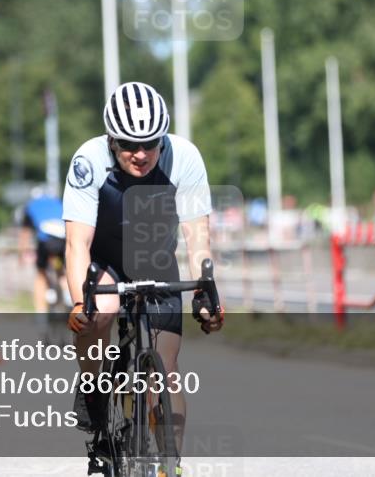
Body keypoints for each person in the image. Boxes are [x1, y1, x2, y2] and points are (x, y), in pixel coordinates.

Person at [63, 81, 224, 443]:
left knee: (165, 372)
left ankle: (171, 466)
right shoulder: (88, 160)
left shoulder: (184, 157)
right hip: (103, 257)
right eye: (129, 145)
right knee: (100, 311)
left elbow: (197, 235)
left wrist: (205, 294)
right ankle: (92, 388)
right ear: (111, 141)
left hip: (154, 259)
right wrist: (79, 302)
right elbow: (77, 243)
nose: (141, 154)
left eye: (150, 143)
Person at [18, 187, 67, 319]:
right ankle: (69, 300)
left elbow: (25, 234)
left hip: (46, 242)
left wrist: (22, 254)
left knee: (40, 274)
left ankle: (41, 314)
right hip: (63, 239)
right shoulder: (58, 202)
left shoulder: (31, 206)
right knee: (63, 272)